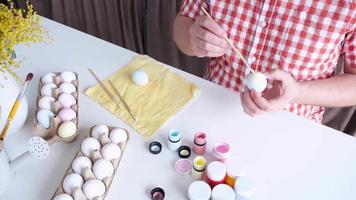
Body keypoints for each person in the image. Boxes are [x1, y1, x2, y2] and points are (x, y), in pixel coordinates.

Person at [173, 0, 356, 122]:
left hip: (291, 129)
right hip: (210, 108)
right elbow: (183, 23)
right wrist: (192, 38)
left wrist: (296, 92)